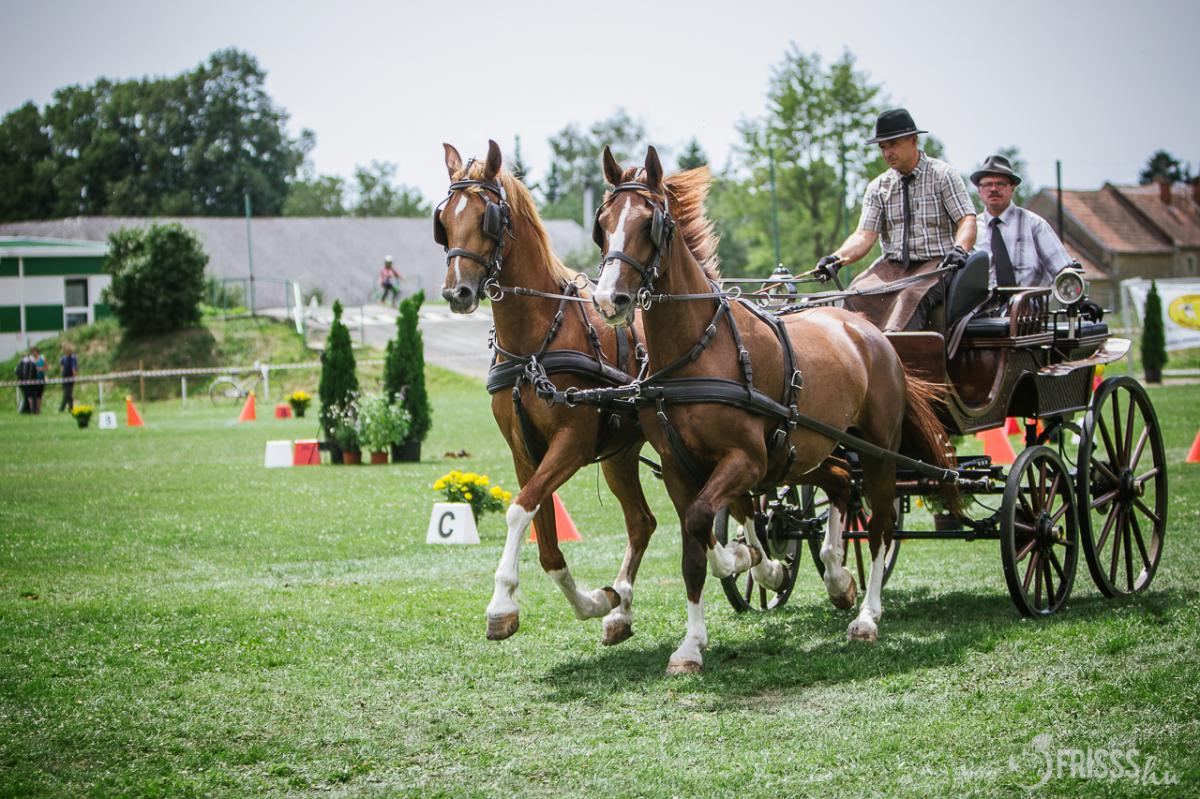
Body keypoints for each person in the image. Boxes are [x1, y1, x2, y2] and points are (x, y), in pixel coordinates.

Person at [816, 108, 977, 331]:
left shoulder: (943, 175)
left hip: (937, 264)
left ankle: (899, 349)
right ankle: (859, 350)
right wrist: (836, 258)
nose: (887, 153)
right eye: (883, 147)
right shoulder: (878, 187)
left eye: (893, 144)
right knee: (856, 293)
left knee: (909, 296)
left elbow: (967, 220)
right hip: (892, 266)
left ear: (913, 140)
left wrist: (960, 249)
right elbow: (864, 235)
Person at [971, 154, 1073, 288]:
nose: (993, 189)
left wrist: (1073, 289)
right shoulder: (971, 230)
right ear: (979, 189)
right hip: (983, 301)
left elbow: (1063, 269)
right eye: (988, 184)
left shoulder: (1034, 224)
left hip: (1029, 301)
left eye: (1000, 184)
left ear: (1012, 187)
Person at [59, 342, 79, 412]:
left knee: (67, 393)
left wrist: (74, 377)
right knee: (68, 394)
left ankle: (61, 408)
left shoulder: (72, 358)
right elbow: (62, 368)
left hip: (70, 377)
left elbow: (74, 369)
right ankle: (71, 408)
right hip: (64, 378)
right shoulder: (63, 358)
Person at [31, 346, 46, 414]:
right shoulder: (31, 359)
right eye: (32, 352)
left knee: (39, 395)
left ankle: (38, 408)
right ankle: (33, 409)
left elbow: (46, 367)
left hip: (41, 378)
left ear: (37, 352)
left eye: (34, 351)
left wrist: (41, 369)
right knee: (33, 394)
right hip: (33, 379)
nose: (33, 353)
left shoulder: (42, 358)